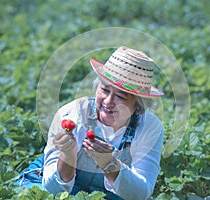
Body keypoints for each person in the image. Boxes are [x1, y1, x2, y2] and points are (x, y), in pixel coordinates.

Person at [29, 46, 164, 199]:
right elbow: (52, 190)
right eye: (105, 90)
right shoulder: (72, 115)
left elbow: (141, 194)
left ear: (138, 104)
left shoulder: (150, 127)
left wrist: (109, 164)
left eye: (120, 96)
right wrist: (68, 156)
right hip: (48, 181)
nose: (108, 101)